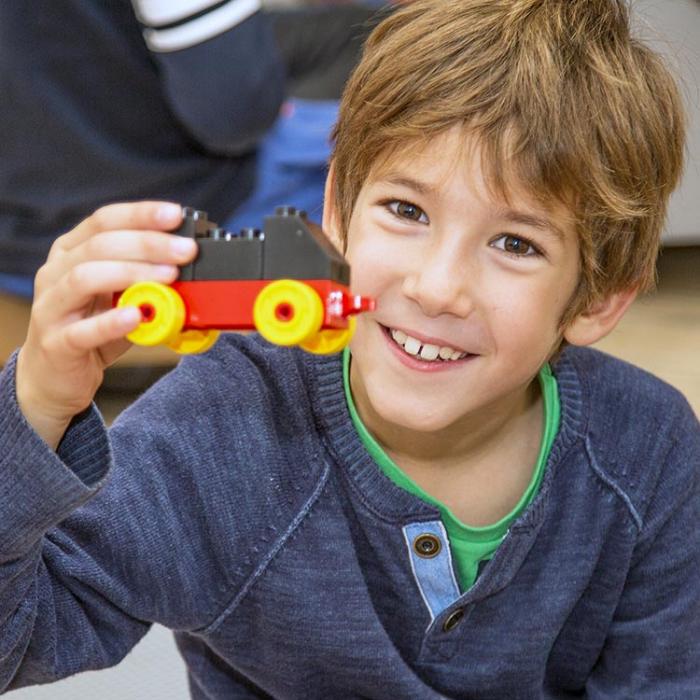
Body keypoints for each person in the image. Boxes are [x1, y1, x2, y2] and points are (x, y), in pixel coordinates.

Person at [1, 0, 698, 697]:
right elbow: (19, 642)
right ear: (336, 211)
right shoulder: (216, 431)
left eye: (516, 244)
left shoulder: (652, 453)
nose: (437, 288)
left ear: (600, 296)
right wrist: (34, 403)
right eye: (407, 211)